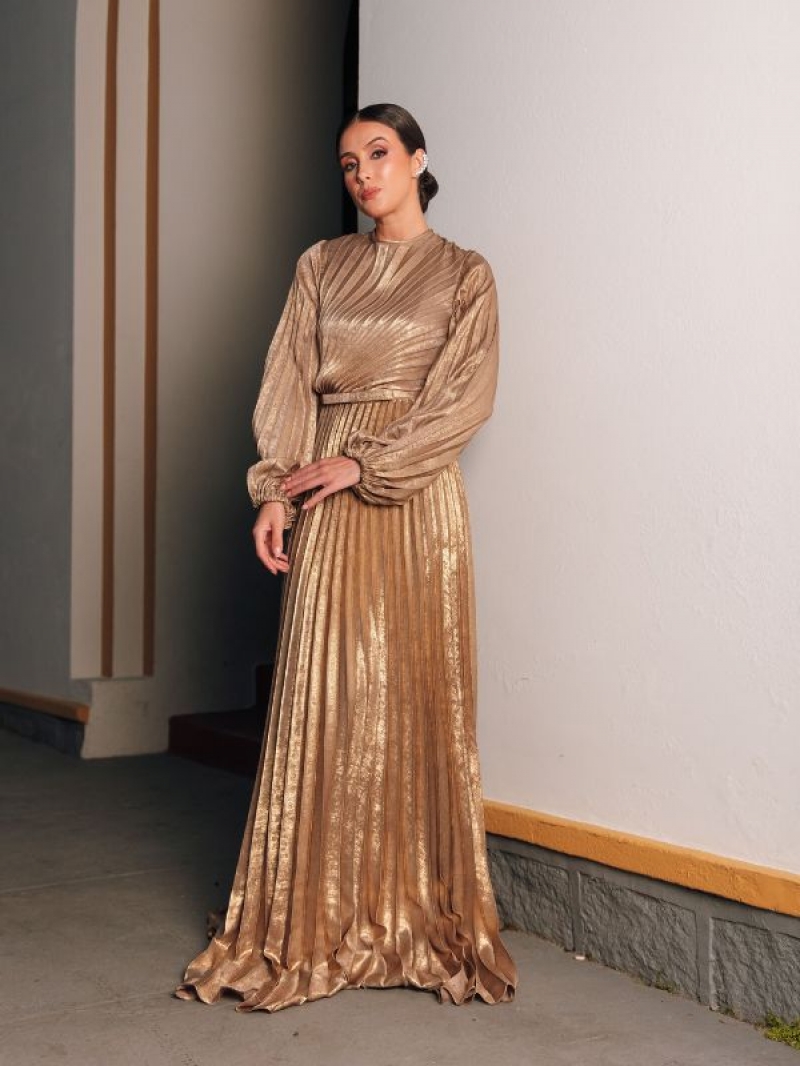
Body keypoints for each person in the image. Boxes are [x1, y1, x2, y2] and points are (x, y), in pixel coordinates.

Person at [173, 102, 518, 1013]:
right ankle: (313, 915)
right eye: (349, 162)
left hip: (414, 498)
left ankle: (410, 911)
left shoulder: (466, 273)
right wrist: (275, 491)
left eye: (379, 153)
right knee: (320, 694)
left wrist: (369, 462)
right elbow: (288, 380)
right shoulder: (321, 265)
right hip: (322, 487)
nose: (363, 173)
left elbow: (467, 396)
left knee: (415, 692)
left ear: (418, 160)